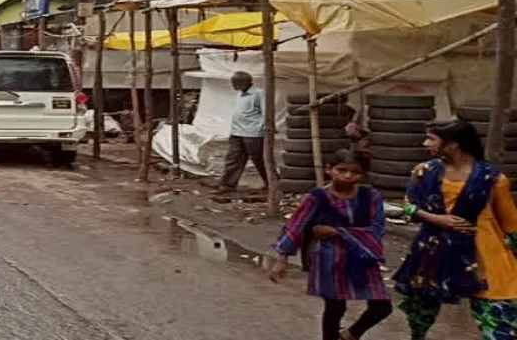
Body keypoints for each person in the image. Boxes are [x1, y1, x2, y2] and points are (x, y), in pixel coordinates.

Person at [394, 119, 517, 340]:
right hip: (433, 252)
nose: (425, 143)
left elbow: (511, 224)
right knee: (420, 313)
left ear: (452, 145)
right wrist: (436, 219)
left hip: (484, 256)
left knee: (497, 319)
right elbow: (409, 206)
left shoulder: (493, 179)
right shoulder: (424, 172)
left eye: (431, 138)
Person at [269, 150, 392, 340]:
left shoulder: (371, 196)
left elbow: (377, 228)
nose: (348, 176)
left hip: (362, 256)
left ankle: (351, 334)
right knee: (335, 307)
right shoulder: (317, 197)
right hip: (329, 258)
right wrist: (282, 257)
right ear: (329, 170)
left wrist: (338, 232)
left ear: (363, 174)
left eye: (355, 172)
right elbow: (296, 225)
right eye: (341, 170)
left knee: (382, 306)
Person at [216, 71, 268, 194]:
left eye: (235, 83)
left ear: (244, 83)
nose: (233, 86)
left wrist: (264, 128)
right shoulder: (240, 93)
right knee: (233, 158)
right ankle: (227, 185)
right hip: (237, 131)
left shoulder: (259, 94)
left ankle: (272, 183)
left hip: (253, 132)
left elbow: (266, 112)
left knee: (260, 159)